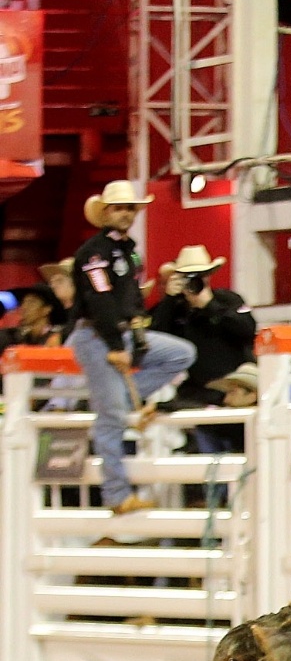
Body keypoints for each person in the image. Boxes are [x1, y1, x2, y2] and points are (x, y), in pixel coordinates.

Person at [66, 180, 197, 515]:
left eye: (129, 208)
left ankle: (121, 405)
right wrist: (114, 344)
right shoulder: (94, 253)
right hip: (99, 335)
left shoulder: (130, 251)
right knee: (109, 416)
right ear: (106, 212)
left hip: (121, 333)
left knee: (181, 353)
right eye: (119, 208)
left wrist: (136, 334)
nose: (125, 213)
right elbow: (100, 299)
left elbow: (130, 298)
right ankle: (116, 495)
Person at [145, 244, 255, 409]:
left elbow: (247, 330)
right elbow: (154, 342)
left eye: (201, 275)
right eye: (187, 276)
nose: (195, 280)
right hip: (201, 392)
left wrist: (209, 305)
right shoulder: (174, 310)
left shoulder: (228, 300)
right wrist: (168, 300)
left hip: (238, 386)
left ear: (209, 276)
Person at [0, 285, 62, 350]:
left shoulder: (57, 337)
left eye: (31, 303)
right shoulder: (13, 337)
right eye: (23, 303)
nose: (24, 308)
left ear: (46, 309)